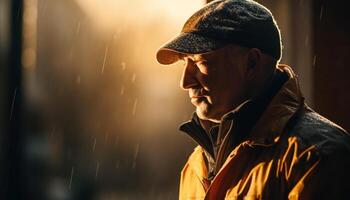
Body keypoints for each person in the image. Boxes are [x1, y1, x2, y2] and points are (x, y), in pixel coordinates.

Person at [156, 0, 350, 199]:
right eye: (185, 64)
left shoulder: (317, 156)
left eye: (201, 62)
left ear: (251, 62)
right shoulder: (196, 166)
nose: (185, 82)